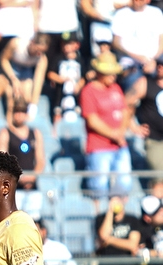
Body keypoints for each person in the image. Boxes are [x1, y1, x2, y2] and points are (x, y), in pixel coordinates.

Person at [79, 52, 131, 205]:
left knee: (124, 184)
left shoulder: (116, 88)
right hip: (99, 147)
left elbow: (125, 111)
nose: (113, 76)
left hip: (120, 145)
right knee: (99, 187)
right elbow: (92, 120)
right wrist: (114, 134)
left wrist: (121, 132)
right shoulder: (88, 91)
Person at [110, 0, 163, 91]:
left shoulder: (156, 13)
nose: (136, 2)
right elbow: (116, 43)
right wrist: (137, 57)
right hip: (131, 64)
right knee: (132, 83)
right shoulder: (121, 14)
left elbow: (161, 41)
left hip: (154, 62)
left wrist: (153, 60)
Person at [0, 99, 45, 190]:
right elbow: (2, 161)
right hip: (13, 186)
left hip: (32, 184)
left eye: (23, 111)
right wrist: (18, 178)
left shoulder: (35, 133)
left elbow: (40, 160)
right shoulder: (5, 133)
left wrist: (32, 177)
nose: (19, 115)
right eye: (16, 111)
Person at [0, 32, 49, 112]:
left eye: (42, 52)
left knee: (27, 90)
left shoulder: (42, 59)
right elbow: (4, 60)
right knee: (11, 92)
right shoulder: (16, 44)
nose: (39, 54)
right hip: (11, 67)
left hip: (26, 70)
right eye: (37, 50)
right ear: (32, 42)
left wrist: (33, 104)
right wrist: (13, 79)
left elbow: (38, 81)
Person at [131, 55, 163, 173]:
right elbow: (126, 103)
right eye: (158, 64)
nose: (160, 67)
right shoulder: (145, 83)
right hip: (155, 140)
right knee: (159, 179)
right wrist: (133, 126)